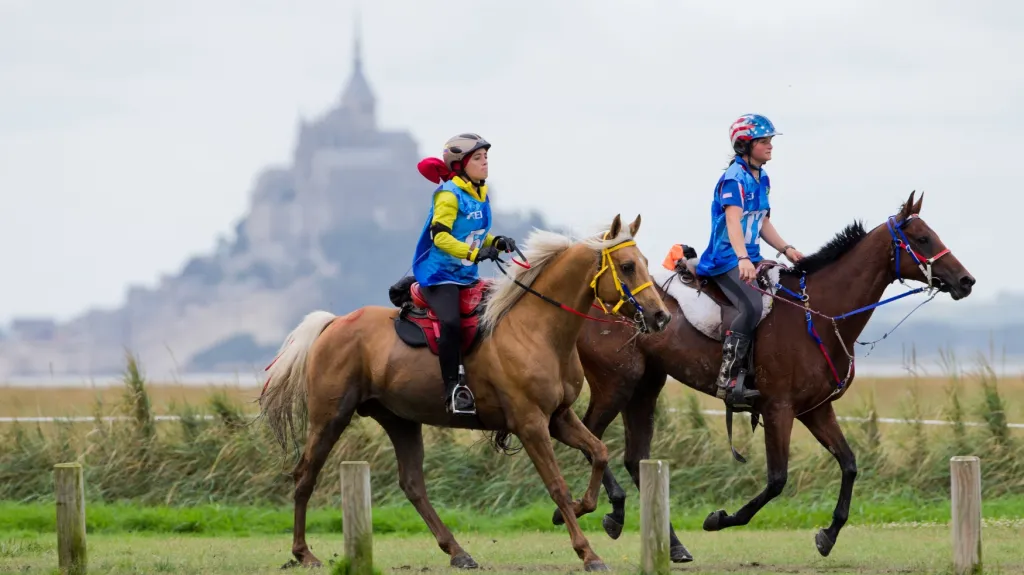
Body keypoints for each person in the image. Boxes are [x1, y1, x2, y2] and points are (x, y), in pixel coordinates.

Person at [695, 114, 804, 407]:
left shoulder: (762, 178)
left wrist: (787, 249)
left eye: (770, 141)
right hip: (725, 258)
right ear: (746, 144)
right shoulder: (734, 178)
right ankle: (727, 379)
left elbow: (762, 222)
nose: (770, 146)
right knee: (752, 305)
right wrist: (742, 257)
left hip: (751, 256)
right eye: (764, 141)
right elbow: (733, 221)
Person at [411, 133, 518, 415]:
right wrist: (474, 254)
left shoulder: (480, 193)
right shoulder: (448, 194)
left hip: (466, 276)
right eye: (478, 159)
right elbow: (441, 238)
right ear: (460, 165)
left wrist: (495, 242)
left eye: (486, 158)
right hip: (439, 275)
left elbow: (475, 234)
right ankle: (453, 389)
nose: (485, 164)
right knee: (451, 324)